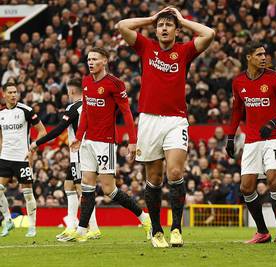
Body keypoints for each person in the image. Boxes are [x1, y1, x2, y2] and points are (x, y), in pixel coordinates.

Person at [116, 6, 215, 248]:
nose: (163, 28)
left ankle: (177, 229)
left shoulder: (184, 51)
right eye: (160, 25)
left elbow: (209, 34)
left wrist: (182, 18)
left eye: (169, 24)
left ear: (176, 30)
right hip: (149, 119)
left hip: (176, 119)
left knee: (175, 173)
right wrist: (151, 18)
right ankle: (157, 231)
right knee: (154, 178)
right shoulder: (145, 47)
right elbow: (122, 25)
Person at [60, 47, 151, 242]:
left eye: (94, 59)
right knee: (87, 186)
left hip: (105, 142)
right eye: (88, 59)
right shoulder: (85, 82)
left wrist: (132, 141)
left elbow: (126, 113)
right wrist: (79, 135)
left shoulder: (115, 84)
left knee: (109, 190)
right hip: (87, 141)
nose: (90, 62)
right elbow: (85, 112)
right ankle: (83, 231)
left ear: (105, 61)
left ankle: (144, 218)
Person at [226, 41, 276, 244]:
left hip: (273, 138)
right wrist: (230, 137)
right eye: (259, 54)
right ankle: (263, 232)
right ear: (248, 57)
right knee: (246, 188)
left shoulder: (274, 78)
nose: (264, 57)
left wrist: (274, 122)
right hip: (251, 140)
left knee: (274, 180)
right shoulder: (238, 81)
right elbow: (237, 110)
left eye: (265, 54)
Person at [28, 78, 100, 240]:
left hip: (80, 154)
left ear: (72, 91)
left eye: (68, 91)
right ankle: (71, 225)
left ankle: (93, 228)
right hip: (87, 150)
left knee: (83, 191)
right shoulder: (91, 104)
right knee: (68, 186)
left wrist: (37, 143)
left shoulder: (74, 108)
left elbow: (59, 129)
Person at [0, 82, 46, 237]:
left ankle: (32, 227)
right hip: (5, 158)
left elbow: (42, 131)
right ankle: (8, 221)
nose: (13, 95)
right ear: (4, 94)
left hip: (22, 158)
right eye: (10, 92)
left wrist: (33, 148)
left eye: (15, 92)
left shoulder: (26, 110)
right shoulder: (1, 113)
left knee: (27, 193)